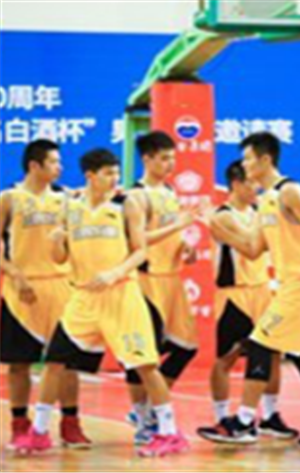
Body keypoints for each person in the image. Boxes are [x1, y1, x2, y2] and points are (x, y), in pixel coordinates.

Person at [14, 149, 188, 457]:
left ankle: (170, 432)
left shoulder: (125, 204)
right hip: (83, 298)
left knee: (146, 365)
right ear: (90, 176)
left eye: (116, 173)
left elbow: (140, 251)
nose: (114, 179)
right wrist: (56, 241)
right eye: (108, 173)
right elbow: (60, 257)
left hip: (121, 295)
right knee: (54, 362)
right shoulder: (71, 207)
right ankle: (39, 431)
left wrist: (114, 273)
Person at [200, 132, 300, 448]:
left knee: (260, 344)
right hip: (288, 286)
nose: (244, 165)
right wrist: (215, 226)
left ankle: (243, 422)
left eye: (248, 158)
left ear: (265, 159)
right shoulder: (264, 202)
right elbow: (252, 249)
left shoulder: (289, 192)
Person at [197, 160, 298, 440]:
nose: (256, 187)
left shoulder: (259, 212)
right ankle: (222, 416)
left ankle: (270, 416)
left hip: (262, 291)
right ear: (236, 184)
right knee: (227, 358)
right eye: (251, 182)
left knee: (272, 355)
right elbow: (251, 245)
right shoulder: (224, 216)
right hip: (235, 294)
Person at [0, 140, 89, 450]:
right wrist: (15, 275)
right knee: (19, 364)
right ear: (34, 166)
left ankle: (70, 424)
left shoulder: (66, 200)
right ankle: (19, 424)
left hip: (62, 288)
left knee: (66, 363)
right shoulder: (9, 199)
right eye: (53, 162)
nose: (60, 168)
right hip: (23, 290)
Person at [125, 131, 199, 444]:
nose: (171, 163)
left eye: (172, 157)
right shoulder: (136, 195)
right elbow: (138, 239)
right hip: (147, 280)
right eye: (164, 158)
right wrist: (178, 226)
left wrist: (184, 246)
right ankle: (144, 416)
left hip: (172, 278)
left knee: (186, 347)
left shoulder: (168, 192)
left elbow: (169, 234)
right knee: (143, 353)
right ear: (147, 159)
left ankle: (152, 405)